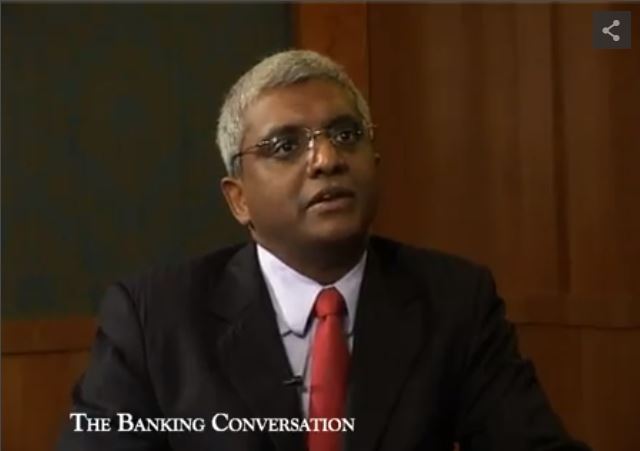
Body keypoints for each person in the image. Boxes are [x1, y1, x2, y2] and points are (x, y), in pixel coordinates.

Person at [57, 50, 590, 451]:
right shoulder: (153, 319)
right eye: (286, 146)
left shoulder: (454, 301)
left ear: (374, 160)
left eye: (346, 134)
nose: (327, 159)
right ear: (239, 199)